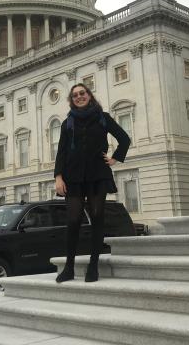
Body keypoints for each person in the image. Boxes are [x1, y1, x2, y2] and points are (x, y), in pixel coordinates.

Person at [54, 83, 131, 283]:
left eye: (82, 93)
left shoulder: (102, 117)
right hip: (73, 177)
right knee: (73, 220)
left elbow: (124, 139)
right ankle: (69, 267)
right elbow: (61, 151)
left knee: (97, 217)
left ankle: (93, 265)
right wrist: (58, 177)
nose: (79, 97)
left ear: (89, 95)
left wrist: (115, 158)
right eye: (75, 95)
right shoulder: (67, 123)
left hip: (98, 173)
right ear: (72, 100)